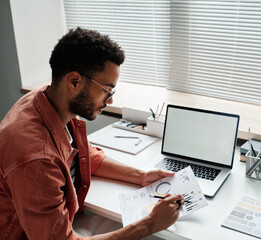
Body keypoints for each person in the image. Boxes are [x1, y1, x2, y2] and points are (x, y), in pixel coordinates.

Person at [0, 27, 184, 239]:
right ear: (74, 81)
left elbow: (84, 155)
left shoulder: (49, 102)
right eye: (107, 90)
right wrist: (150, 224)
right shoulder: (35, 158)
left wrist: (141, 176)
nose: (111, 100)